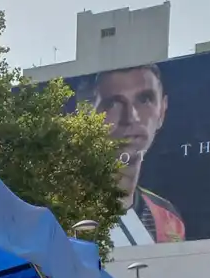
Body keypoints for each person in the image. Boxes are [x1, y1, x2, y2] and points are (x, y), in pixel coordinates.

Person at [78, 63, 185, 245]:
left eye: (144, 99)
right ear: (87, 113)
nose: (131, 117)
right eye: (112, 103)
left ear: (162, 111)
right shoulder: (66, 209)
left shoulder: (168, 217)